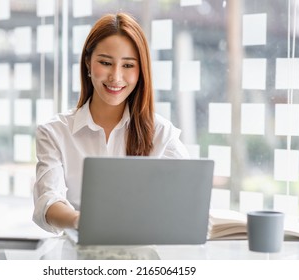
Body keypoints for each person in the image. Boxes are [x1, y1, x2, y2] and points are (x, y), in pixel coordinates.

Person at [33, 12, 189, 234]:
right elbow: (48, 201)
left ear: (141, 71)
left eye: (128, 66)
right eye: (105, 63)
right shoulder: (55, 132)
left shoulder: (161, 133)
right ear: (88, 63)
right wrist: (84, 222)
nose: (115, 77)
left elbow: (189, 200)